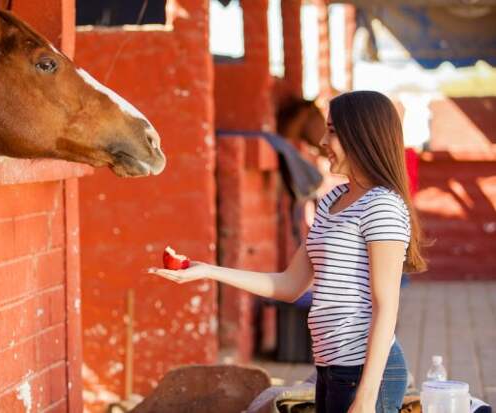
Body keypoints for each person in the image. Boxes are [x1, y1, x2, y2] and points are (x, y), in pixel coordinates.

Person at [148, 90, 427, 413]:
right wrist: (207, 270)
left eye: (333, 131)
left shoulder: (382, 206)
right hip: (331, 368)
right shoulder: (332, 201)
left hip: (365, 373)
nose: (322, 140)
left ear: (361, 135)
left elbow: (386, 306)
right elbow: (289, 285)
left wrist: (366, 397)